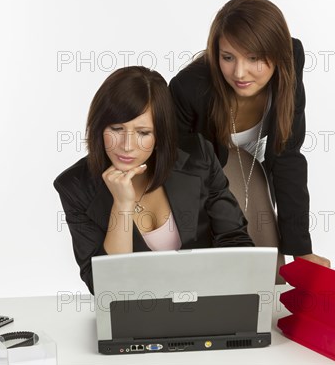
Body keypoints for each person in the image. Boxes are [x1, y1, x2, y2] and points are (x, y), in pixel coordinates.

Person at [54, 66, 254, 294]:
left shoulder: (199, 157)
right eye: (117, 129)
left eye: (143, 133)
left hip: (206, 301)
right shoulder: (75, 187)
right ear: (99, 128)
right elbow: (105, 289)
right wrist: (122, 206)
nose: (127, 145)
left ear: (160, 134)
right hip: (133, 315)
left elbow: (235, 242)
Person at [169, 0, 330, 269]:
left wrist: (301, 250)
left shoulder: (291, 60)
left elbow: (287, 156)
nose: (239, 72)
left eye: (254, 58)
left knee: (272, 269)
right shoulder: (190, 88)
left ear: (278, 54)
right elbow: (178, 172)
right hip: (198, 173)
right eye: (227, 57)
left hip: (252, 168)